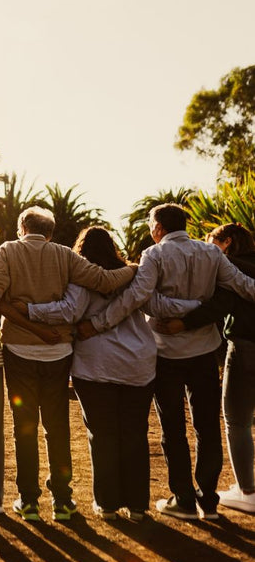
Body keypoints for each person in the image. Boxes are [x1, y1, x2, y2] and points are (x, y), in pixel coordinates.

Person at [0, 207, 136, 521]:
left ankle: (29, 501)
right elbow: (103, 281)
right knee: (57, 428)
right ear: (50, 232)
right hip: (58, 353)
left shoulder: (8, 250)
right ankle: (62, 501)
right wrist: (134, 267)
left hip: (19, 352)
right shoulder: (63, 254)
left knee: (25, 428)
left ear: (22, 227)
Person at [81, 205, 255, 520]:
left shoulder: (154, 255)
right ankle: (209, 501)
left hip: (166, 355)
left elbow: (136, 296)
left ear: (158, 227)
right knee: (207, 427)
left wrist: (98, 324)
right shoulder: (212, 254)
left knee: (173, 428)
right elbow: (244, 286)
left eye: (151, 225)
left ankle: (183, 499)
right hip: (203, 351)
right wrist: (194, 308)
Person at [26, 227, 197, 521]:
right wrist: (198, 307)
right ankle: (137, 506)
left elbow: (68, 312)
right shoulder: (132, 275)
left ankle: (106, 505)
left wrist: (28, 309)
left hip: (95, 366)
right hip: (138, 365)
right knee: (134, 433)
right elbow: (157, 305)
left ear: (81, 250)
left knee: (101, 434)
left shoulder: (82, 278)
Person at [157, 223, 255, 514]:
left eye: (212, 243)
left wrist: (182, 322)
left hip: (246, 346)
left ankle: (247, 489)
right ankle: (214, 496)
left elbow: (220, 303)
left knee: (236, 420)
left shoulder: (229, 265)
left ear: (226, 243)